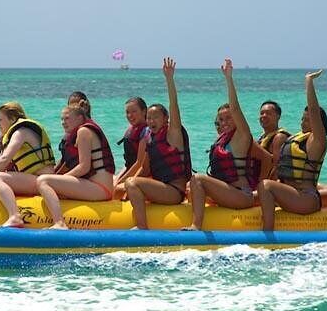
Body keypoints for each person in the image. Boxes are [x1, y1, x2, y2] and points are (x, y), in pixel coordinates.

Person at [184, 58, 272, 231]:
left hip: (241, 195)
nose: (224, 122)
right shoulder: (222, 140)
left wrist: (229, 79)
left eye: (228, 118)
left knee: (198, 178)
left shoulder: (242, 137)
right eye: (221, 119)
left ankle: (196, 225)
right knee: (190, 186)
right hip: (226, 193)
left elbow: (236, 109)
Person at [124, 58, 192, 229]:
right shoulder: (149, 139)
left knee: (132, 183)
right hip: (161, 188)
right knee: (128, 185)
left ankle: (142, 227)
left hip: (174, 191)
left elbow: (174, 105)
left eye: (155, 117)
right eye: (149, 118)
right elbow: (145, 169)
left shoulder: (173, 135)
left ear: (166, 119)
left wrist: (169, 79)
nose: (151, 121)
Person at [258, 71, 327, 230]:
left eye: (308, 119)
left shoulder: (317, 142)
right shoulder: (300, 138)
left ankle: (267, 233)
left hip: (306, 198)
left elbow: (314, 110)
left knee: (265, 186)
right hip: (292, 195)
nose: (304, 122)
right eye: (302, 119)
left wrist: (309, 82)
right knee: (263, 189)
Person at [0, 102, 55, 227]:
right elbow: (2, 165)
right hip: (32, 180)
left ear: (12, 119)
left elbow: (4, 159)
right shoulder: (11, 135)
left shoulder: (21, 132)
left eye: (0, 120)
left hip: (42, 182)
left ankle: (15, 216)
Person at [36, 100, 115, 229]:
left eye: (67, 118)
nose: (63, 122)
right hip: (99, 187)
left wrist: (62, 178)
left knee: (43, 181)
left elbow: (84, 167)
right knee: (52, 185)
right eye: (62, 119)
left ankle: (59, 223)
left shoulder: (83, 131)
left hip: (99, 189)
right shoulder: (84, 129)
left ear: (79, 118)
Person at [113, 97, 150, 189]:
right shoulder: (131, 131)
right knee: (113, 184)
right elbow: (128, 164)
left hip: (146, 176)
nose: (130, 115)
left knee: (116, 190)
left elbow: (139, 164)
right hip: (133, 174)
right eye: (127, 112)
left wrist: (121, 182)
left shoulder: (146, 132)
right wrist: (118, 179)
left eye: (134, 111)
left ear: (144, 111)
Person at [257, 100, 291, 180]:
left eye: (268, 113)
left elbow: (277, 168)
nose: (264, 116)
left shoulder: (279, 137)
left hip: (271, 186)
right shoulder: (262, 138)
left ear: (278, 116)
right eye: (262, 113)